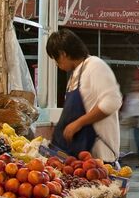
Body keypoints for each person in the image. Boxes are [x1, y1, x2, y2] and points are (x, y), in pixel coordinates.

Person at [46, 30, 122, 162]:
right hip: (80, 157)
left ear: (63, 54)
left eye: (56, 59)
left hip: (100, 155)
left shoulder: (95, 66)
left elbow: (112, 102)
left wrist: (78, 123)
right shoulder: (75, 75)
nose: (57, 64)